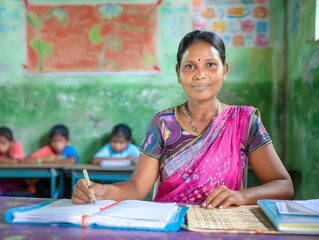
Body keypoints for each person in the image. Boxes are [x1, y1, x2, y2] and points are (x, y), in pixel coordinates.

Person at [72, 30, 294, 208]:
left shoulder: (243, 121)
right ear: (179, 73)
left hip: (224, 227)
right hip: (169, 227)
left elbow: (283, 185)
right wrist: (103, 191)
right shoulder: (163, 123)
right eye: (190, 66)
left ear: (224, 71)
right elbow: (137, 188)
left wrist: (242, 196)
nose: (200, 74)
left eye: (210, 64)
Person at [23, 124, 79, 197]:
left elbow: (72, 160)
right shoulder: (47, 150)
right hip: (48, 181)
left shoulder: (69, 149)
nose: (57, 144)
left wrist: (54, 160)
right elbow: (27, 160)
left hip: (66, 180)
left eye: (60, 141)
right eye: (54, 141)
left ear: (67, 141)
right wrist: (43, 159)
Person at [0, 127, 30, 194]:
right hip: (3, 180)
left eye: (3, 142)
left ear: (11, 142)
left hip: (19, 182)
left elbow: (15, 161)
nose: (0, 146)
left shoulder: (16, 145)